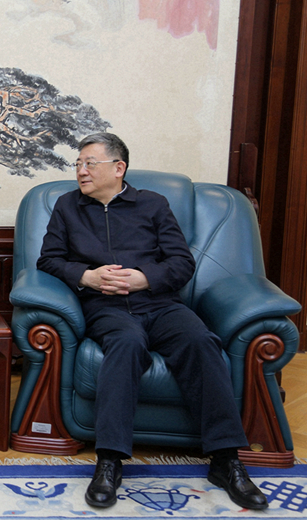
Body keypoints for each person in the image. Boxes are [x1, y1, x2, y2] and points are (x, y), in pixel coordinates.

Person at [36, 132, 268, 510]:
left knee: (201, 341)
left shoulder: (153, 204)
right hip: (105, 308)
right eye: (78, 164)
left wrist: (144, 278)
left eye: (89, 163)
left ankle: (226, 460)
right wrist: (87, 276)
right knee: (126, 344)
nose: (81, 171)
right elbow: (48, 259)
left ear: (119, 167)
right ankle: (109, 461)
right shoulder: (68, 206)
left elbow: (181, 263)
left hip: (160, 304)